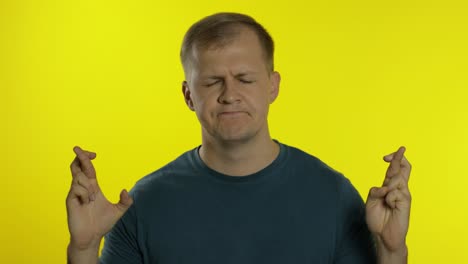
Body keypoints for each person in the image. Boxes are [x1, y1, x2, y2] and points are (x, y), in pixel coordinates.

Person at [66, 12, 412, 264]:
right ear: (188, 95)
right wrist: (83, 249)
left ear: (273, 85)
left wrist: (392, 251)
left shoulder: (334, 196)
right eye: (213, 81)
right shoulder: (143, 202)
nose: (230, 95)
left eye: (245, 79)